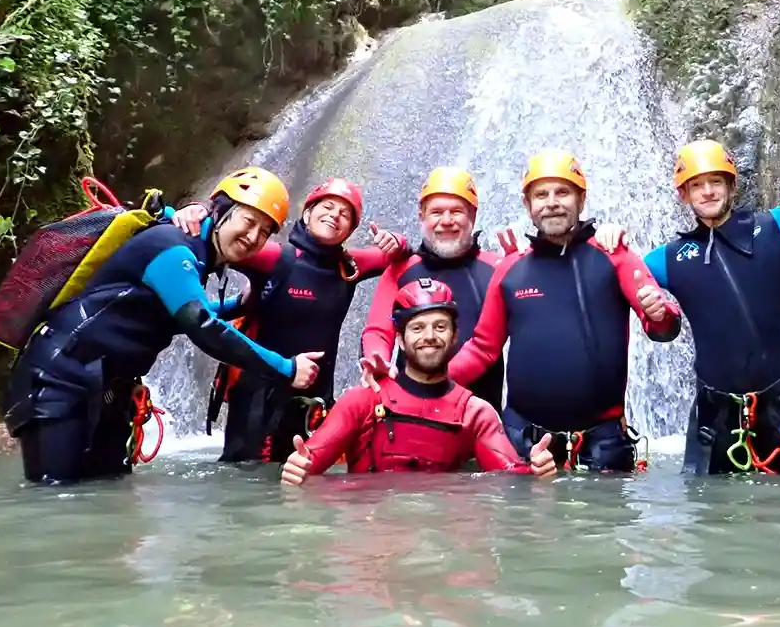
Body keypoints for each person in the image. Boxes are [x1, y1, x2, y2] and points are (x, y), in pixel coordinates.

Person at [3, 167, 314, 485]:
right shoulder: (173, 247)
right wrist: (286, 368)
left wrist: (236, 305)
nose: (253, 237)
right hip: (59, 380)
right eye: (248, 222)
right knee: (56, 500)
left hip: (106, 388)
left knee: (107, 497)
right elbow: (202, 325)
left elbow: (172, 313)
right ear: (220, 210)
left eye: (264, 232)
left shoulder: (194, 252)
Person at [645, 53, 780, 475]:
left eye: (715, 182)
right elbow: (615, 281)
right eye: (696, 186)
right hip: (716, 421)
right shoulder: (668, 259)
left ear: (731, 186)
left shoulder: (777, 229)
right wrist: (608, 245)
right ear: (684, 196)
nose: (707, 192)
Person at [441, 150, 681, 472]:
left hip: (602, 445)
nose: (551, 202)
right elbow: (483, 348)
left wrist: (659, 313)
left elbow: (665, 328)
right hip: (523, 441)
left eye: (562, 192)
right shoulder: (511, 268)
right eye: (541, 195)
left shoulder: (614, 255)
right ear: (528, 206)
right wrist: (429, 382)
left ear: (581, 200)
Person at [173, 176, 407, 464]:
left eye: (345, 214)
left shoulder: (351, 266)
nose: (335, 215)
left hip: (315, 401)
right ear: (307, 213)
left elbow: (403, 255)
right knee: (247, 486)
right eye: (328, 206)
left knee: (304, 488)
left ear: (350, 230)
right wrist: (195, 210)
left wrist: (397, 242)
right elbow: (218, 235)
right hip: (259, 400)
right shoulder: (274, 256)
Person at [280, 278, 556, 483]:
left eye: (440, 326)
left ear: (454, 335)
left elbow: (510, 480)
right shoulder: (362, 402)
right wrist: (296, 470)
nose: (430, 336)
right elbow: (308, 464)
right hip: (372, 540)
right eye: (417, 328)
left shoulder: (476, 413)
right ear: (399, 338)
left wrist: (537, 472)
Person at [359, 167, 507, 411]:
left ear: (473, 215)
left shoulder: (497, 269)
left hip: (477, 419)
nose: (446, 221)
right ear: (422, 216)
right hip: (407, 409)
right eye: (436, 212)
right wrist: (378, 360)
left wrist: (432, 383)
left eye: (457, 211)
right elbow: (378, 330)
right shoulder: (401, 269)